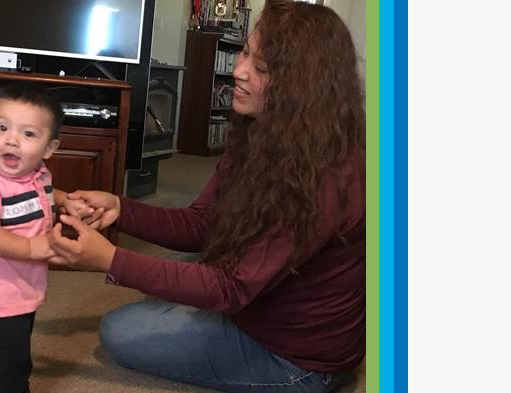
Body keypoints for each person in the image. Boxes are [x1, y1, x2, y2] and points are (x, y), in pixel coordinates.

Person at [48, 1, 365, 392]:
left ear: (303, 88)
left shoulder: (324, 175)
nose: (239, 70)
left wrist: (109, 258)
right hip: (256, 298)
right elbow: (203, 223)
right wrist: (120, 208)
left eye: (261, 68)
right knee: (184, 264)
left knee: (119, 330)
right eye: (246, 52)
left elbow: (230, 287)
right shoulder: (261, 129)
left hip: (297, 359)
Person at [0, 82, 92, 393]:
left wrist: (62, 199)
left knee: (11, 349)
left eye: (28, 134)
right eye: (2, 127)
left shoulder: (38, 173)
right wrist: (34, 247)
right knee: (12, 358)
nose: (12, 140)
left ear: (49, 149)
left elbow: (41, 193)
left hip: (25, 284)